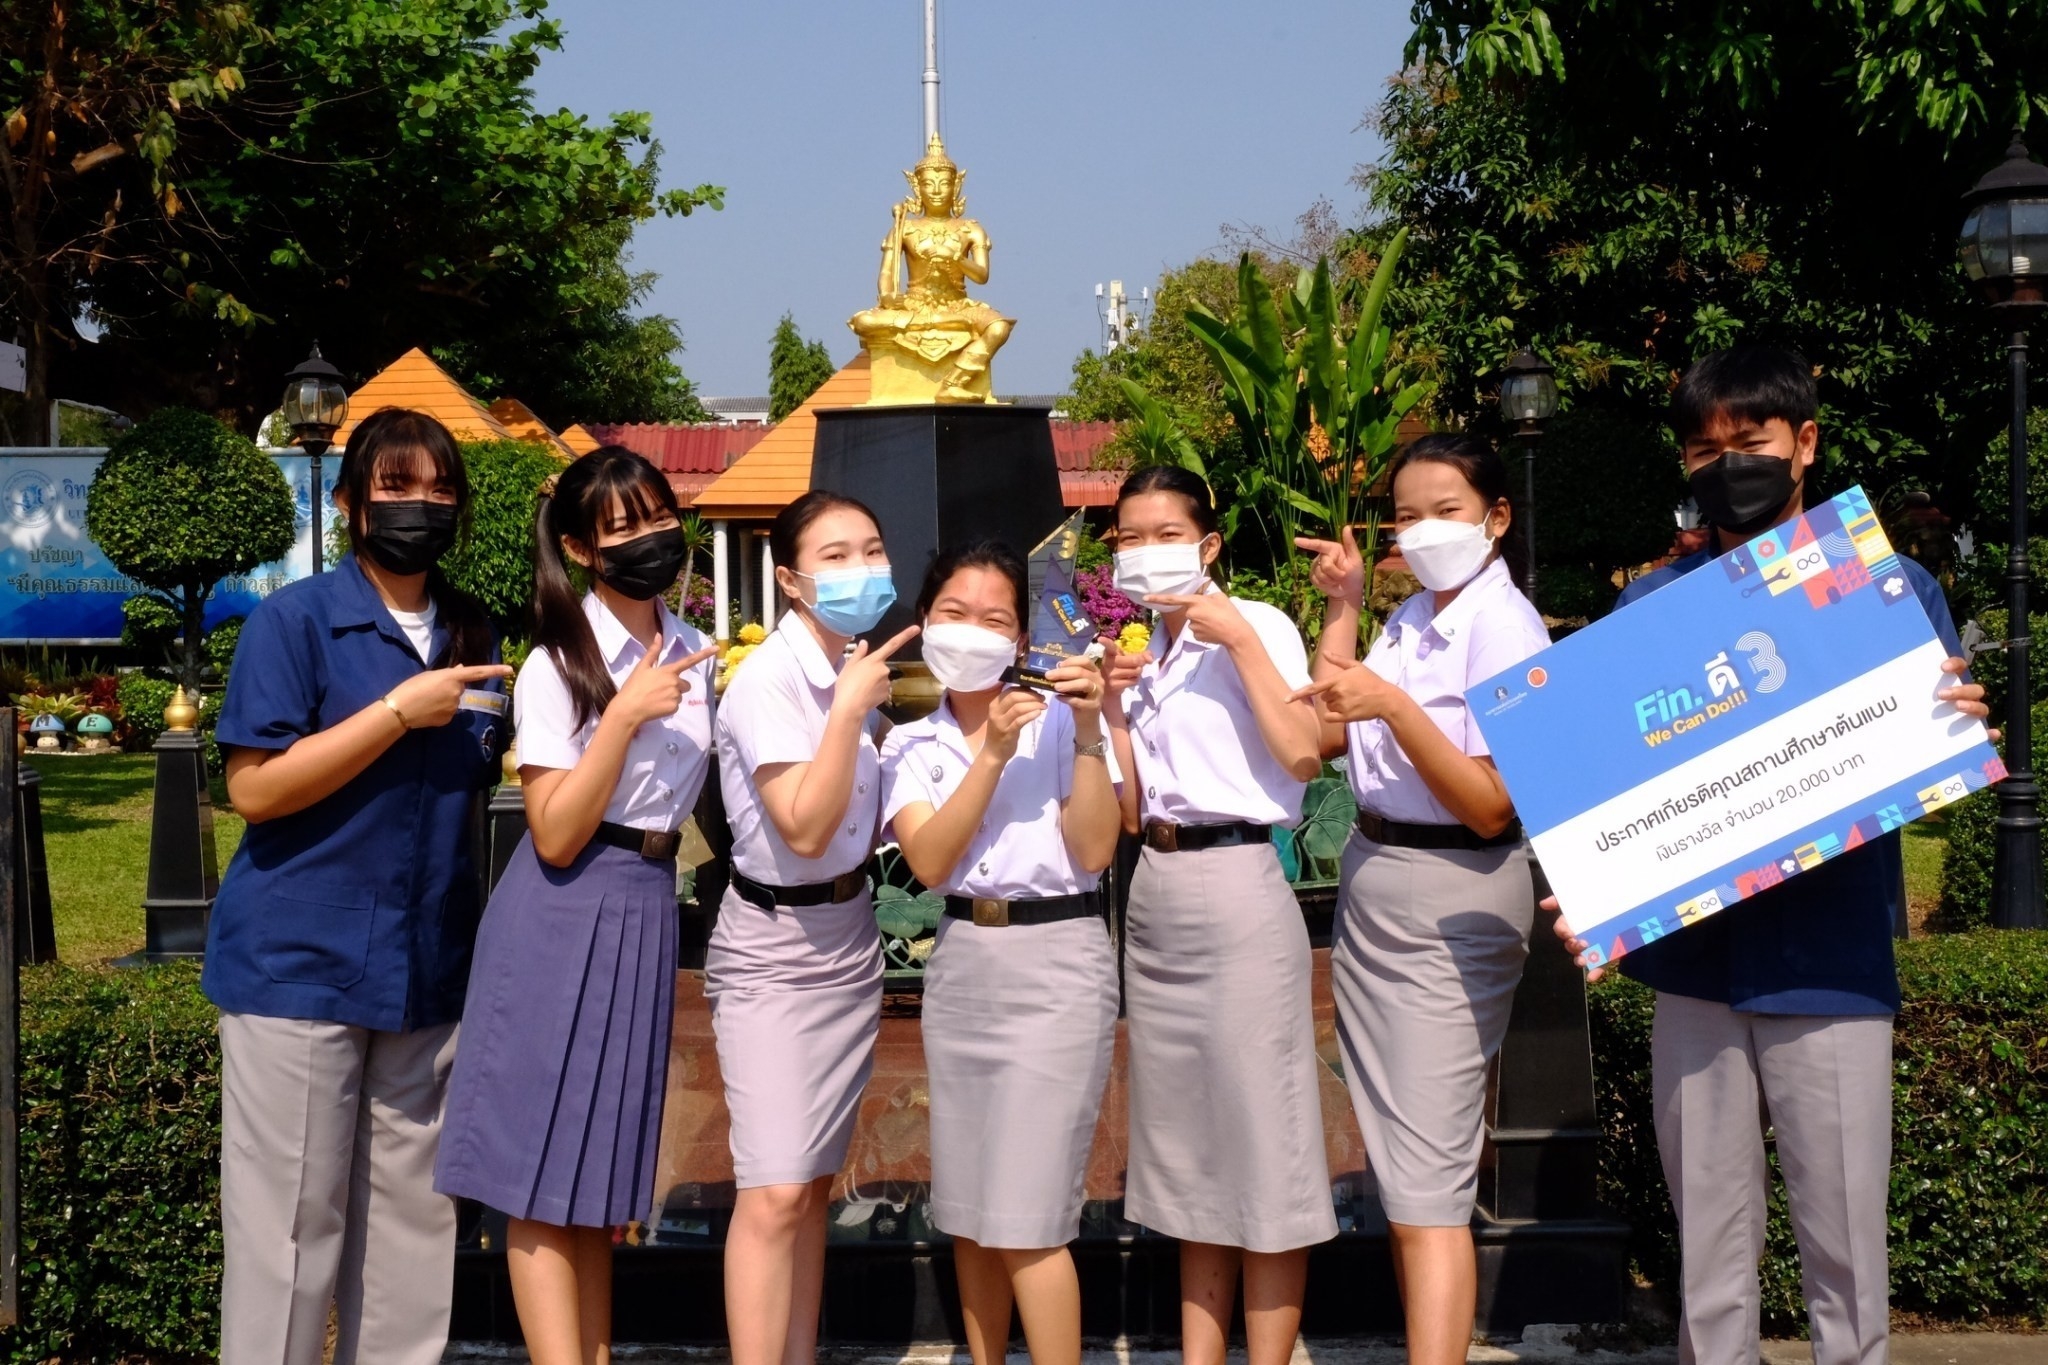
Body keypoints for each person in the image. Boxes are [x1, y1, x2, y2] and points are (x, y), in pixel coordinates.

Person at [1550, 346, 1992, 1365]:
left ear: (1803, 445)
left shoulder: (1887, 587)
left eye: (1747, 442)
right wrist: (1591, 883)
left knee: (1843, 1249)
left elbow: (1911, 750)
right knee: (1706, 1253)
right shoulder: (1647, 609)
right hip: (1694, 970)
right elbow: (1608, 779)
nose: (1725, 464)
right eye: (1702, 448)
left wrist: (1950, 719)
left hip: (1830, 965)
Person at [204, 408, 510, 1365]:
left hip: (426, 968)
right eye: (396, 487)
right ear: (348, 503)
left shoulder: (473, 630)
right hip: (300, 966)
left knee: (414, 1233)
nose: (419, 506)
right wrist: (392, 713)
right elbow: (253, 787)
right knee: (290, 1235)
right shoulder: (294, 622)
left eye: (438, 489)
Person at [435, 447, 717, 1365]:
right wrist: (627, 713)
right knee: (538, 1171)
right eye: (622, 525)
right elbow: (552, 829)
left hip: (644, 900)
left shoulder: (690, 648)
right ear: (582, 547)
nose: (649, 538)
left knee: (597, 1176)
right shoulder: (560, 661)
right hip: (565, 903)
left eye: (658, 515)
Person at [1292, 435, 1552, 1365]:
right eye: (1406, 514)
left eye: (1446, 510)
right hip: (1377, 876)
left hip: (1455, 893)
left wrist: (1395, 708)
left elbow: (1490, 804)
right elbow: (1324, 722)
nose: (1423, 530)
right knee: (1407, 1177)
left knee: (1431, 1179)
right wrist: (1345, 605)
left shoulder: (1505, 627)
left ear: (1496, 517)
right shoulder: (1410, 620)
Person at [1098, 464, 1336, 1365]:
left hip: (1237, 879)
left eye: (1166, 533)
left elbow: (1305, 754)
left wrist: (1237, 638)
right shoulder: (1148, 648)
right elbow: (1129, 809)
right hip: (1155, 887)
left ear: (1206, 544)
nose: (1144, 550)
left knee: (1262, 1137)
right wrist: (1114, 709)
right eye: (1128, 536)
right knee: (1188, 1147)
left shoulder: (1254, 624)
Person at [878, 542, 1121, 1365]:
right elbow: (932, 861)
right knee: (974, 1208)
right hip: (965, 962)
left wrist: (1088, 730)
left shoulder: (1062, 718)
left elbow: (1093, 850)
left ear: (1023, 638)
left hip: (1057, 959)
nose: (973, 631)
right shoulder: (910, 744)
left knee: (1030, 1216)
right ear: (922, 624)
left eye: (995, 619)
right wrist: (989, 756)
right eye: (954, 613)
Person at [709, 490, 917, 1365]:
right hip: (772, 951)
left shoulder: (851, 673)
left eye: (871, 548)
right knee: (772, 1190)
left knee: (810, 1186)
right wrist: (849, 716)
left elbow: (860, 829)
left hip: (846, 941)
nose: (861, 568)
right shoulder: (772, 681)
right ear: (790, 581)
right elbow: (799, 824)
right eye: (834, 556)